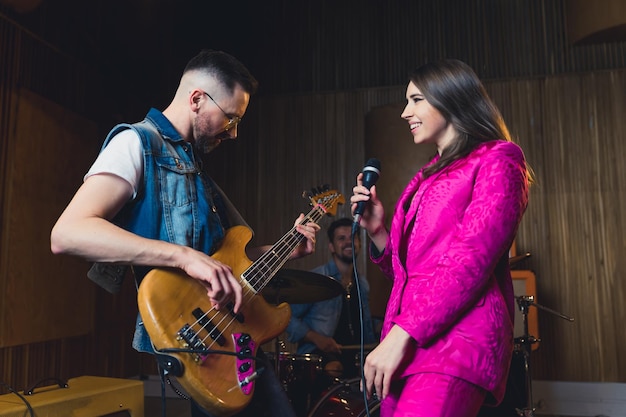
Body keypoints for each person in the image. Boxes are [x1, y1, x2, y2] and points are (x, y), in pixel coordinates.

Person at [50, 49, 320, 417]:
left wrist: (283, 251)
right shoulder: (135, 144)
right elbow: (67, 233)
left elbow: (222, 263)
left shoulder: (194, 167)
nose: (235, 132)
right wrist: (183, 256)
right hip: (195, 337)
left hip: (230, 332)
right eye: (230, 118)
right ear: (196, 99)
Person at [350, 59, 531, 417]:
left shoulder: (499, 159)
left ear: (451, 98)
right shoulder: (426, 176)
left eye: (416, 99)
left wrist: (399, 337)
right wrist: (378, 231)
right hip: (409, 340)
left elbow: (471, 260)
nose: (405, 112)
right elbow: (410, 274)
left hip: (456, 343)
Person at [286, 217, 376, 379]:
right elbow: (287, 317)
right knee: (333, 369)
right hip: (319, 357)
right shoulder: (316, 279)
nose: (349, 242)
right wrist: (316, 338)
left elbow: (366, 327)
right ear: (331, 247)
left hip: (354, 356)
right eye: (341, 238)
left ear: (360, 243)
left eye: (353, 236)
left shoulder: (362, 283)